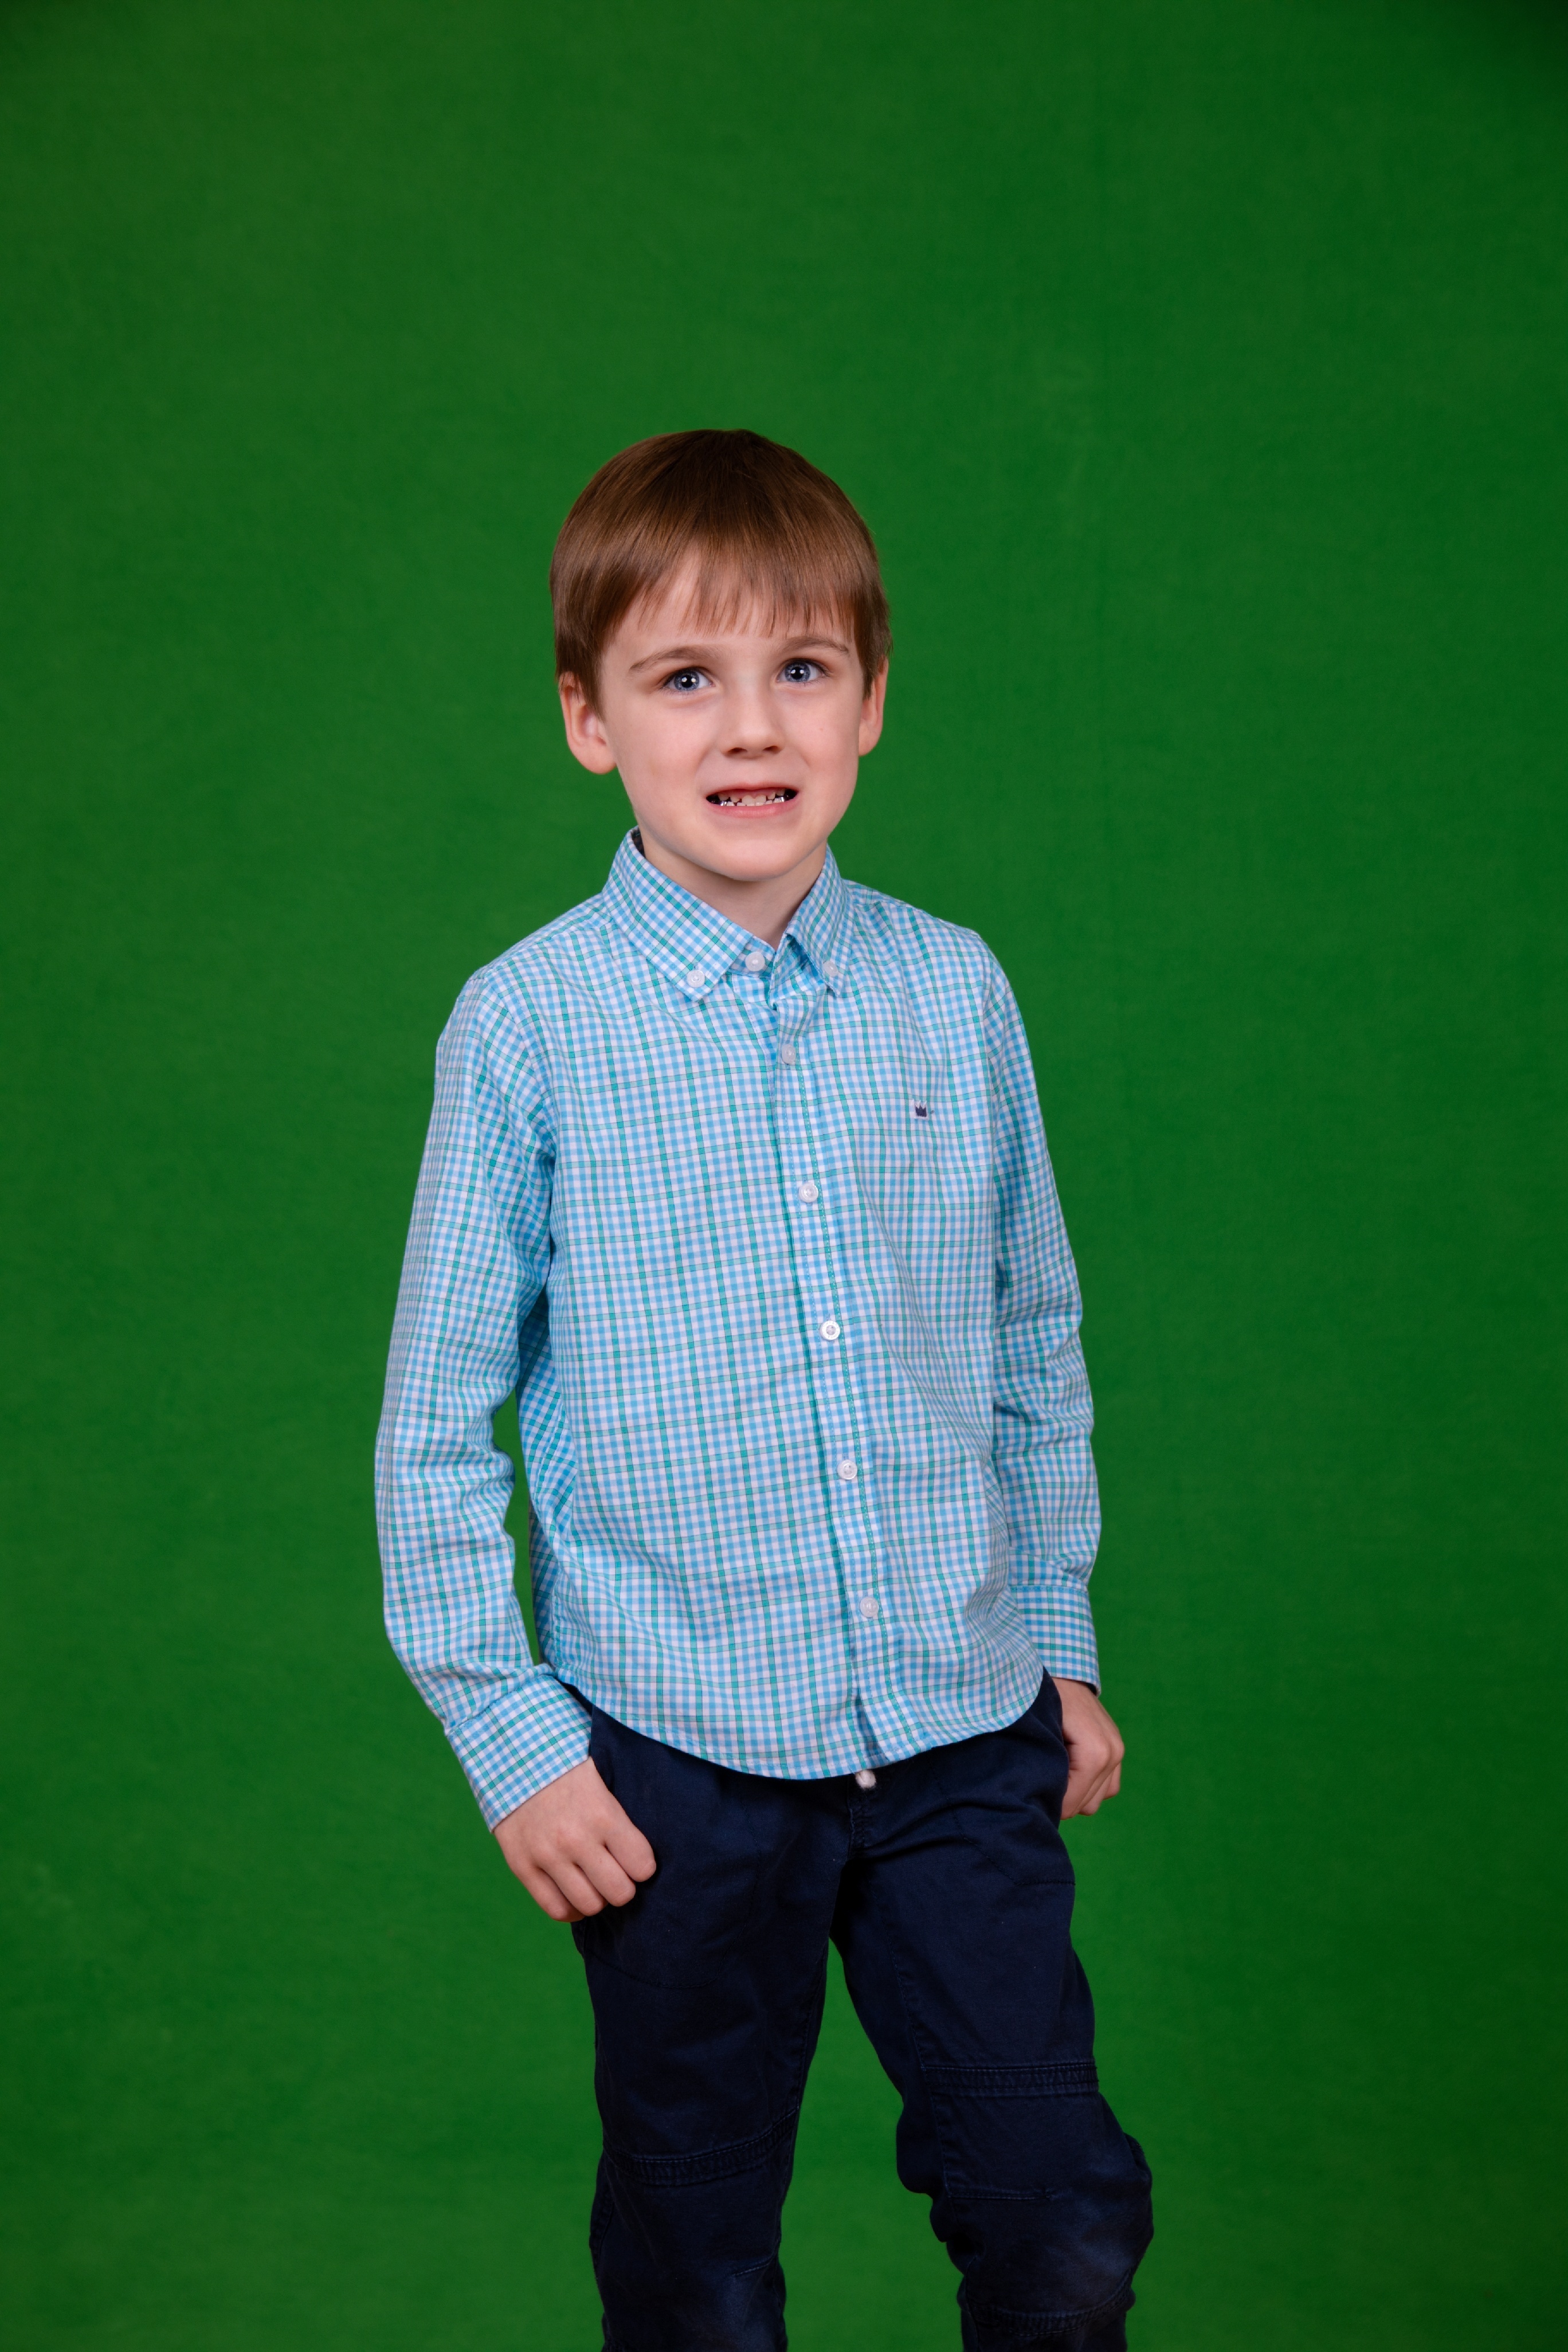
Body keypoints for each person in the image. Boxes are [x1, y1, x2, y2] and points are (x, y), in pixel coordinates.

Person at [375, 428, 1153, 2350]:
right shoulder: (530, 1023)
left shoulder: (954, 990)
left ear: (870, 702)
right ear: (589, 719)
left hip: (960, 1728)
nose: (751, 727)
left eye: (802, 669)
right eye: (683, 677)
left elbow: (1027, 1340)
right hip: (676, 1758)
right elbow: (434, 1428)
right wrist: (514, 1737)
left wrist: (1055, 1638)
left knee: (1058, 2213)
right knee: (700, 2260)